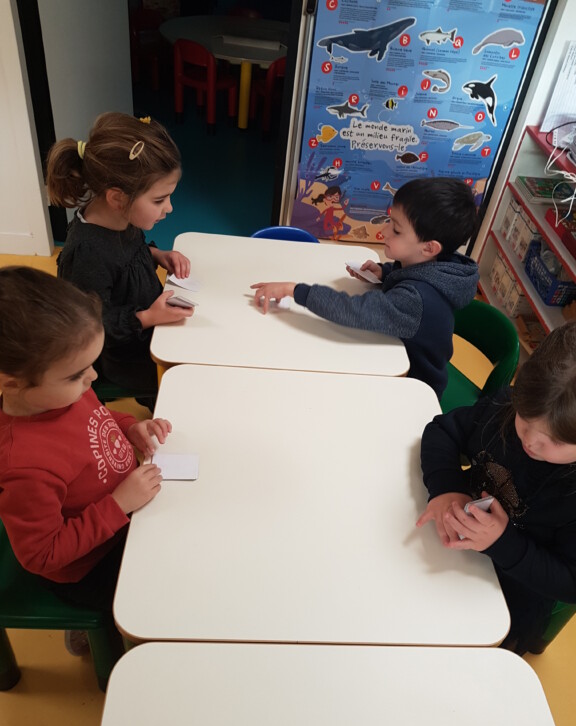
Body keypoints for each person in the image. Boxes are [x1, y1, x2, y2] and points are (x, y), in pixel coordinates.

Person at [0, 267, 171, 647]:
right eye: (77, 374)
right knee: (154, 604)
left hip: (125, 517)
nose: (92, 378)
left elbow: (97, 418)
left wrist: (130, 427)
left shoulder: (63, 394)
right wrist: (118, 504)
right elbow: (42, 555)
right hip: (90, 564)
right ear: (11, 382)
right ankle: (91, 635)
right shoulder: (26, 466)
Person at [417, 321, 576, 655]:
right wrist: (447, 487)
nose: (531, 441)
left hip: (509, 594)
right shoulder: (503, 407)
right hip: (451, 550)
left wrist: (503, 543)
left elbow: (569, 582)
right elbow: (443, 431)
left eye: (556, 441)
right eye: (526, 419)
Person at [251, 177, 479, 399]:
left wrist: (294, 290)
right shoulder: (440, 264)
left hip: (410, 387)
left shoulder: (416, 299)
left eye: (396, 230)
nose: (385, 231)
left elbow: (353, 310)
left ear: (429, 248)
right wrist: (385, 272)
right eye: (390, 221)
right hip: (396, 358)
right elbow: (415, 274)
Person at [46, 112, 195, 410]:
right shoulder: (86, 253)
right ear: (117, 198)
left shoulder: (120, 217)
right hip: (124, 354)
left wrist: (157, 255)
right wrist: (148, 317)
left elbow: (127, 254)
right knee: (184, 376)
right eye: (159, 200)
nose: (169, 208)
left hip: (148, 326)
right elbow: (89, 327)